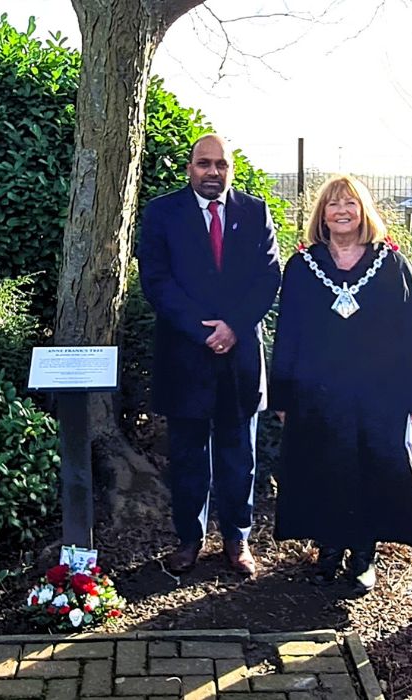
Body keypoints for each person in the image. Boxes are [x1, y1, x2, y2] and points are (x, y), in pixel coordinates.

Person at [269, 175, 412, 597]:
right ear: (322, 214)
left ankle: (362, 556)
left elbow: (410, 334)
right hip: (316, 394)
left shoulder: (390, 264)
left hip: (378, 394)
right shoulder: (302, 266)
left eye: (350, 203)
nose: (342, 211)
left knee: (369, 470)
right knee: (322, 469)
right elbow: (288, 333)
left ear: (364, 211)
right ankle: (327, 550)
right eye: (333, 204)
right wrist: (282, 393)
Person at [138, 133, 281, 578]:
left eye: (221, 164)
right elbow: (156, 280)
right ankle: (189, 539)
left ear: (230, 170)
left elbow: (268, 277)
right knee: (187, 456)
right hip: (185, 354)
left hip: (239, 356)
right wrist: (203, 330)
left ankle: (238, 539)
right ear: (189, 168)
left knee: (240, 455)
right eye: (204, 163)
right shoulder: (162, 213)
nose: (213, 172)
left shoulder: (254, 212)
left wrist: (233, 326)